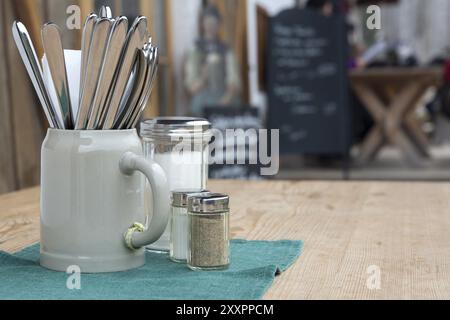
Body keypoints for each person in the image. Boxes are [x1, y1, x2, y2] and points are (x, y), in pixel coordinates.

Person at [184, 5, 241, 116]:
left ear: (219, 25)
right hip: (202, 105)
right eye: (208, 23)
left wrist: (226, 100)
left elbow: (233, 80)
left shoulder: (226, 50)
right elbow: (191, 88)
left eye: (214, 23)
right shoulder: (196, 50)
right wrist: (204, 77)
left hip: (224, 102)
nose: (211, 26)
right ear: (203, 24)